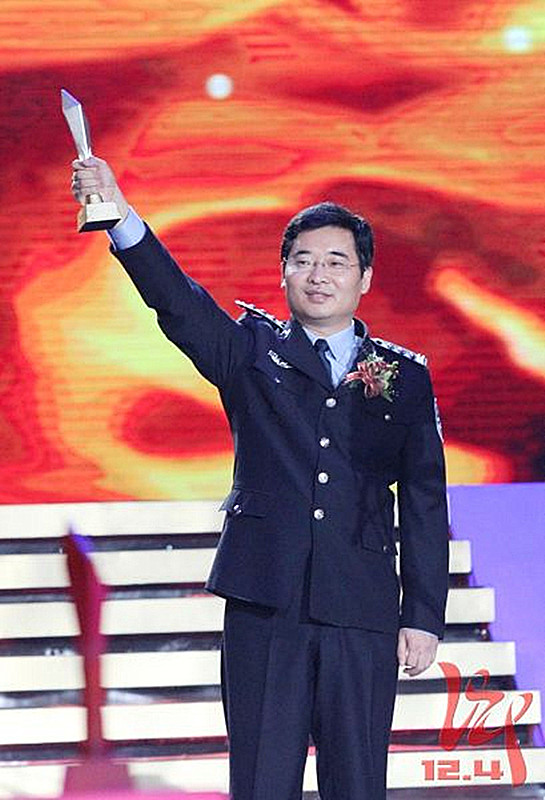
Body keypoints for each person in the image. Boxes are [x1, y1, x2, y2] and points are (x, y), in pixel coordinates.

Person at [70, 156, 449, 800]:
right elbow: (178, 302)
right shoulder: (251, 353)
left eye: (336, 262)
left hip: (360, 609)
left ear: (364, 278)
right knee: (262, 781)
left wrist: (423, 616)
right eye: (303, 260)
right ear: (283, 272)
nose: (318, 275)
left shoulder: (404, 378)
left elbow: (424, 504)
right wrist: (118, 216)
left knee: (358, 783)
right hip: (265, 604)